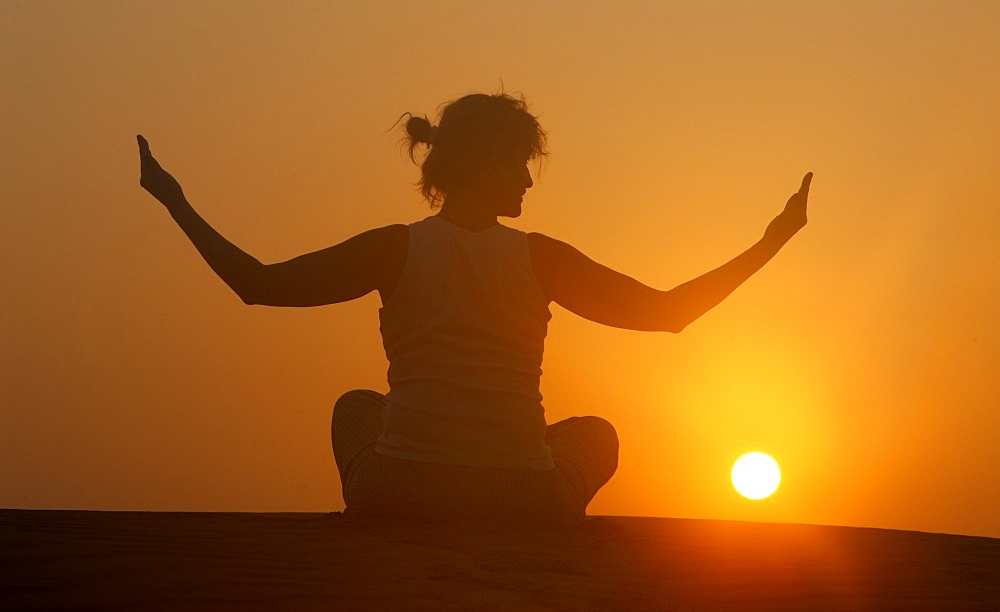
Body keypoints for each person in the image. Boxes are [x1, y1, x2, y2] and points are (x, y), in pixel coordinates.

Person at [137, 92, 811, 526]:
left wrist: (174, 201)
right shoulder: (539, 256)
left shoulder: (393, 249)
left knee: (355, 408)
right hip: (525, 502)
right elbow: (668, 312)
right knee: (595, 435)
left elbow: (255, 282)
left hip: (402, 493)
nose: (525, 179)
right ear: (485, 163)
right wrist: (771, 242)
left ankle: (376, 519)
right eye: (519, 164)